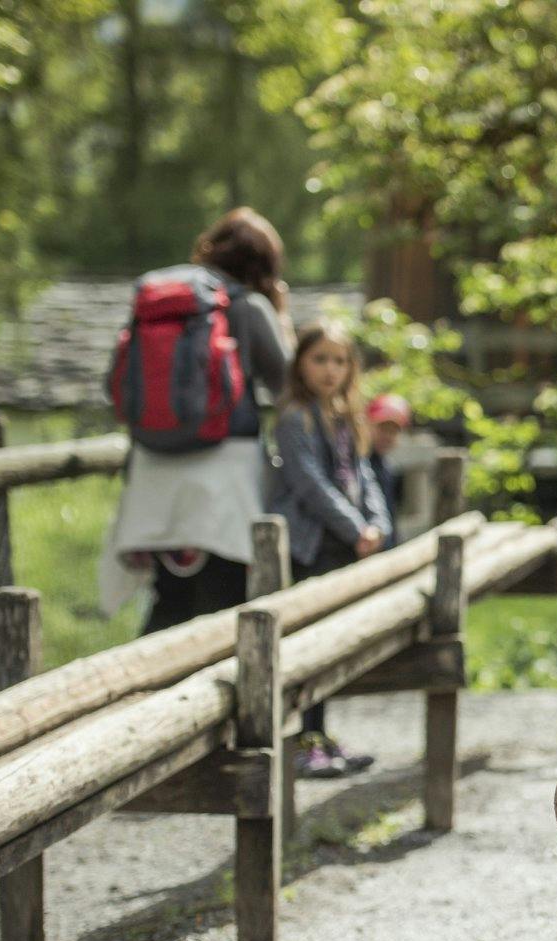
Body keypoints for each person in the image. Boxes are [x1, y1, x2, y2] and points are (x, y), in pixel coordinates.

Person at [99, 208, 295, 630]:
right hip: (224, 478)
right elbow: (290, 386)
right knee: (222, 603)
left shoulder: (158, 301)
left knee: (168, 598)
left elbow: (113, 382)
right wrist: (282, 318)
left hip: (153, 472)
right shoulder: (250, 307)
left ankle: (151, 672)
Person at [270, 321, 394, 778]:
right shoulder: (294, 418)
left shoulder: (345, 415)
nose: (329, 370)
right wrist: (355, 527)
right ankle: (303, 740)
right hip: (313, 546)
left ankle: (321, 734)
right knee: (309, 642)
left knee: (333, 643)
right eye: (319, 359)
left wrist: (378, 523)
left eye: (339, 361)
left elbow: (364, 476)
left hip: (343, 543)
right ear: (301, 364)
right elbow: (310, 484)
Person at [364, 392, 412, 542]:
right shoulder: (360, 463)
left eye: (394, 431)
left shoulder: (386, 467)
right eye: (383, 428)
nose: (388, 436)